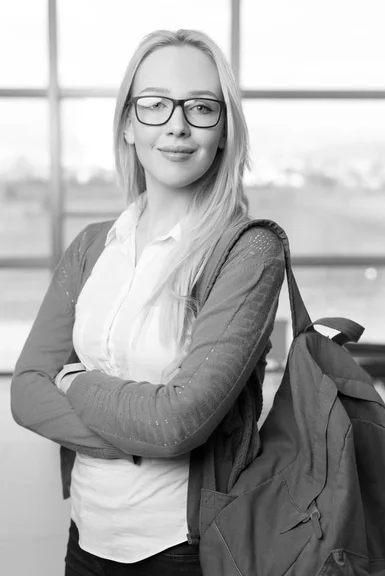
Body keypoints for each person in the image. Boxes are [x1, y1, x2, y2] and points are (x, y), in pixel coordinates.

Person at [10, 29, 285, 576]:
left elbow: (178, 425)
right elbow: (23, 391)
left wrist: (71, 381)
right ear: (130, 125)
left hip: (187, 550)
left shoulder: (249, 250)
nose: (177, 124)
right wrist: (137, 435)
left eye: (202, 107)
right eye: (155, 105)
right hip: (87, 539)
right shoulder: (93, 246)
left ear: (225, 130)